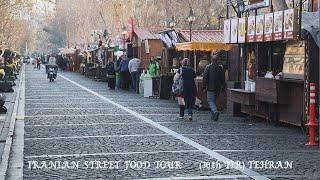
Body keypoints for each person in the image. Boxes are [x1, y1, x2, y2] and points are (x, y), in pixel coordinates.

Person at [203, 53, 225, 121]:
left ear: (211, 60)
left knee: (210, 101)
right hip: (218, 87)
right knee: (214, 101)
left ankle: (215, 112)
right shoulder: (220, 68)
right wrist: (223, 86)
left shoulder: (208, 67)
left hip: (210, 87)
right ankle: (214, 116)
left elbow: (205, 78)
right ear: (217, 60)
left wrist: (204, 86)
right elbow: (222, 78)